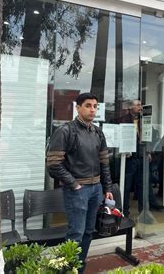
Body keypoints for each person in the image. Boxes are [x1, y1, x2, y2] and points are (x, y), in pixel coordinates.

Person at [46, 92, 113, 273]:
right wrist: (74, 184)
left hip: (96, 189)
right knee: (76, 233)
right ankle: (68, 269)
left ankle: (79, 267)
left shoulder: (98, 132)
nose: (92, 110)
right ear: (78, 108)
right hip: (78, 190)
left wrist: (107, 187)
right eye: (88, 106)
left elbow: (104, 162)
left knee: (88, 232)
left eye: (95, 106)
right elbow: (53, 165)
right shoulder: (65, 131)